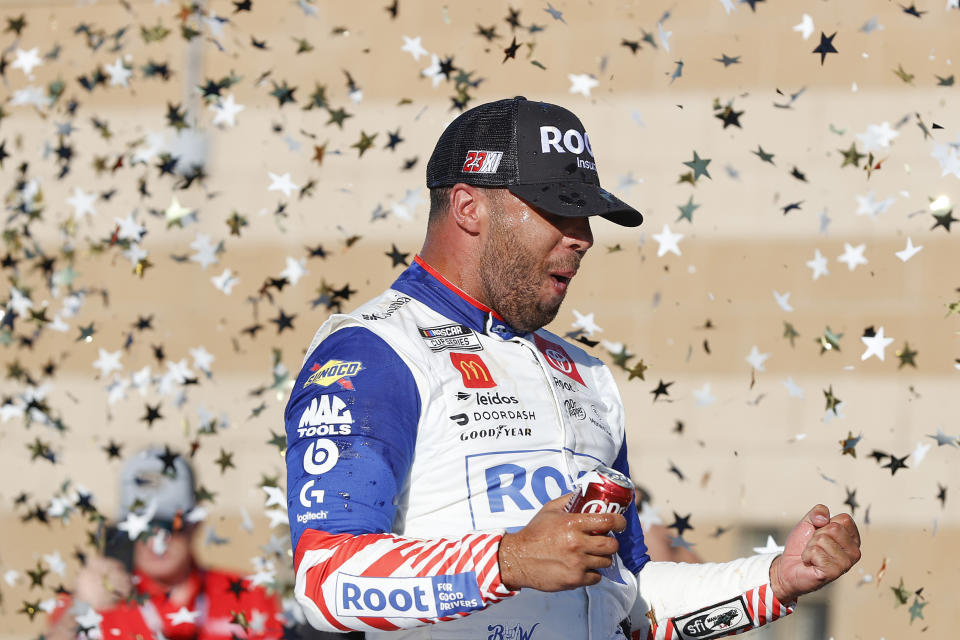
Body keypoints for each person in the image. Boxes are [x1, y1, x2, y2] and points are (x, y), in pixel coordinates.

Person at [283, 96, 861, 639]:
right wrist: (508, 561)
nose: (583, 237)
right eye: (559, 209)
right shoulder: (374, 350)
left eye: (586, 216)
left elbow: (627, 600)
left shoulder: (585, 373)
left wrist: (773, 583)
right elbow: (325, 578)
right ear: (468, 207)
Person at [48, 447, 284, 640]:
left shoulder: (249, 597)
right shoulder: (99, 600)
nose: (157, 541)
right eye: (144, 526)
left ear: (195, 523)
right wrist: (79, 609)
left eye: (171, 524)